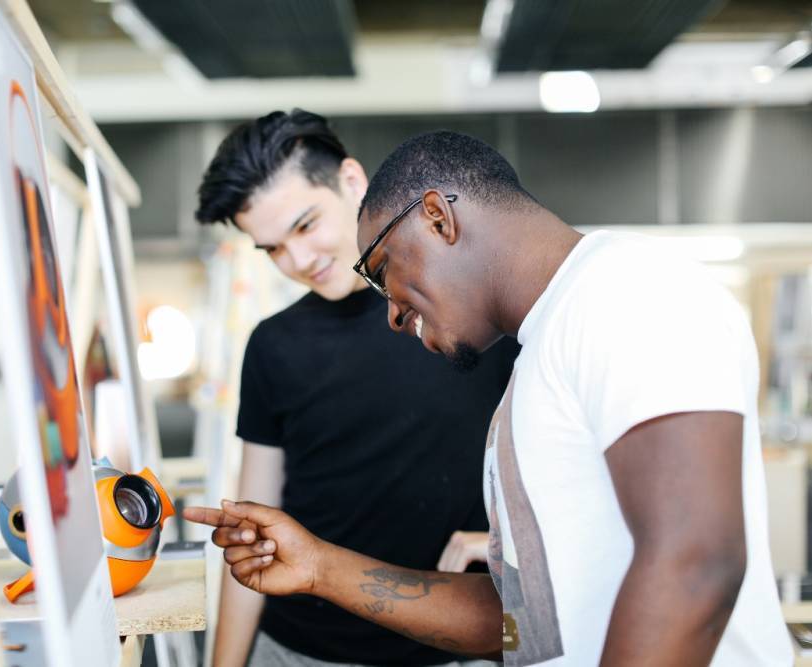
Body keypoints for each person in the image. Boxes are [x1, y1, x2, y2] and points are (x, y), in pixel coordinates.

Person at [186, 130, 793, 666]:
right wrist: (320, 567)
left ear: (438, 219)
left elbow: (697, 561)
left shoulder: (625, 293)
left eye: (383, 268)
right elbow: (518, 619)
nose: (392, 313)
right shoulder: (538, 354)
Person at [194, 112, 520, 666]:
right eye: (270, 248)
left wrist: (508, 549)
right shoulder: (274, 346)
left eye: (304, 226)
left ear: (351, 181)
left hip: (456, 643)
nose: (297, 261)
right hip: (301, 648)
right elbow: (256, 521)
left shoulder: (465, 311)